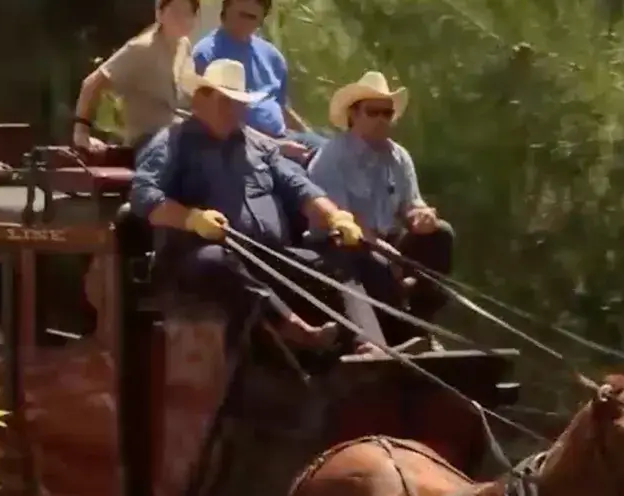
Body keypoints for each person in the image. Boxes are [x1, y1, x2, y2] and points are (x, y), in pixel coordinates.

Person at [130, 59, 369, 352]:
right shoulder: (173, 142)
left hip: (266, 257)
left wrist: (336, 218)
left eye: (239, 103)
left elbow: (298, 187)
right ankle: (290, 326)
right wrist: (192, 219)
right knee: (216, 258)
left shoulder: (259, 146)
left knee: (338, 261)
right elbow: (143, 195)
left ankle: (368, 345)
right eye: (225, 101)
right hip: (196, 265)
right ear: (200, 99)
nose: (233, 110)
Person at [307, 71, 452, 347]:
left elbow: (411, 203)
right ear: (354, 114)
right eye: (373, 112)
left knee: (441, 235)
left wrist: (422, 217)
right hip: (341, 243)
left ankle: (422, 322)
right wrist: (382, 249)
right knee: (374, 261)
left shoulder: (398, 156)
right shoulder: (331, 158)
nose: (381, 120)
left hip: (386, 240)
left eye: (387, 113)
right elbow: (339, 219)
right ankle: (398, 336)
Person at [190, 0, 323, 164]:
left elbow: (281, 107)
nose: (244, 21)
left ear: (261, 20)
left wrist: (309, 135)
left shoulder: (272, 56)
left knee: (326, 152)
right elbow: (213, 117)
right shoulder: (206, 54)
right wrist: (275, 146)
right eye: (241, 14)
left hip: (283, 137)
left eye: (251, 17)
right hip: (240, 146)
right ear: (226, 9)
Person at [72, 0, 197, 152]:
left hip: (179, 139)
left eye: (187, 13)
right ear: (160, 13)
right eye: (175, 12)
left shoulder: (184, 46)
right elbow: (92, 83)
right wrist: (82, 131)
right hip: (149, 145)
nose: (181, 18)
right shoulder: (141, 48)